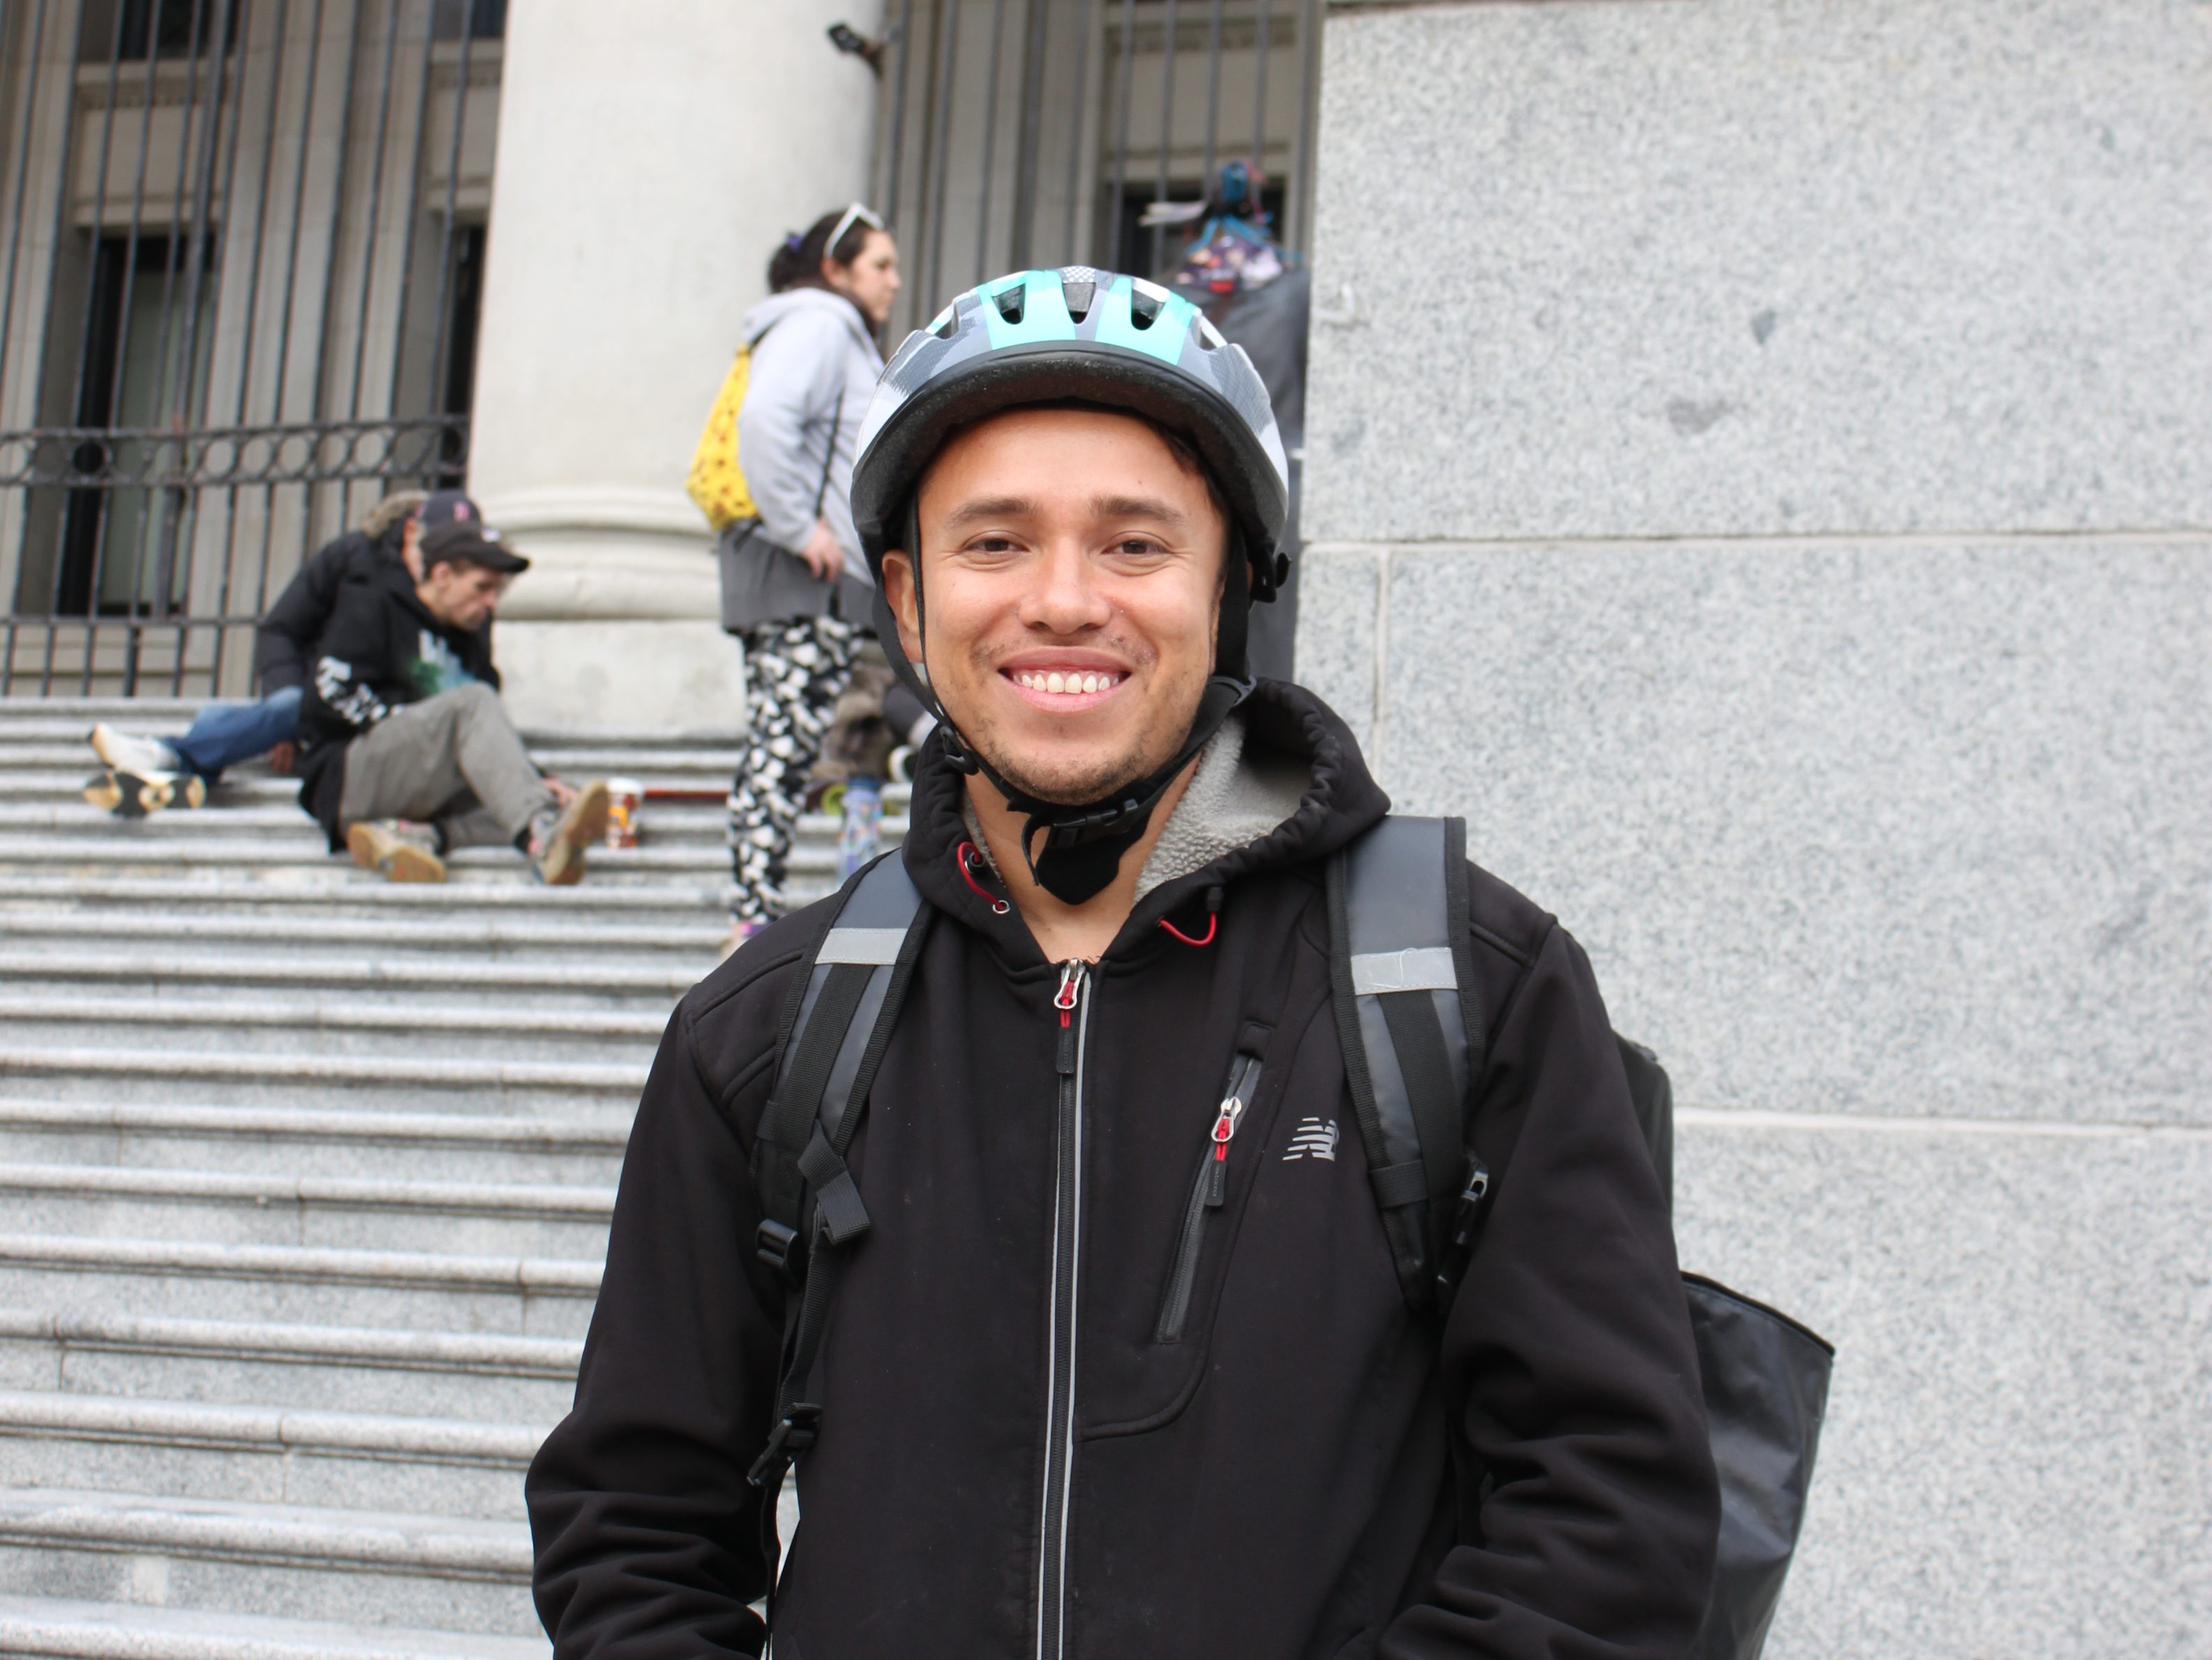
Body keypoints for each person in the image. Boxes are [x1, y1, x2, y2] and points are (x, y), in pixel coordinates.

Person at [527, 268, 1719, 1657]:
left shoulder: (1467, 984)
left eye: (1135, 544)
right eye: (994, 542)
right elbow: (634, 1522)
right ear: (905, 597)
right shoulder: (768, 1031)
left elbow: (1610, 1512)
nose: (1063, 599)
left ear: (1231, 588)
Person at [718, 202, 901, 943]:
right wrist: (801, 529)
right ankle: (752, 914)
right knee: (783, 742)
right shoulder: (820, 322)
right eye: (880, 265)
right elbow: (764, 420)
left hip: (816, 577)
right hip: (800, 573)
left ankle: (766, 905)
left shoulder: (829, 328)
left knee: (808, 741)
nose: (894, 280)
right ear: (835, 268)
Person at [82, 489, 481, 816]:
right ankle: (176, 760)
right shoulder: (352, 558)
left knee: (222, 717)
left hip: (382, 725)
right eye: (439, 547)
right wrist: (286, 695)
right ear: (411, 532)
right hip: (324, 699)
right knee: (290, 705)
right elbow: (283, 629)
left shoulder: (468, 599)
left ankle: (176, 757)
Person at [295, 517, 610, 886]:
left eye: (497, 591)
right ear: (443, 575)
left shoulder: (470, 639)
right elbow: (328, 690)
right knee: (475, 703)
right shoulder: (374, 603)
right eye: (482, 587)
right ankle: (541, 839)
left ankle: (417, 835)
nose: (491, 602)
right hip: (351, 776)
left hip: (426, 780)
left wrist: (540, 779)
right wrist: (404, 721)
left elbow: (484, 740)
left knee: (560, 803)